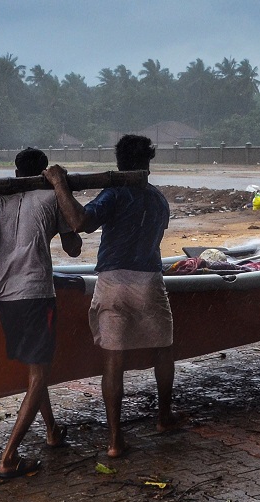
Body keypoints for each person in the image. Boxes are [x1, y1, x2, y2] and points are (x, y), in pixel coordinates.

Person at [43, 134, 186, 458]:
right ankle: (164, 418)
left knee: (114, 360)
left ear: (118, 162)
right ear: (147, 163)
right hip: (148, 280)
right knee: (164, 351)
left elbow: (80, 221)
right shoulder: (157, 200)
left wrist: (58, 183)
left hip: (112, 281)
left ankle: (114, 440)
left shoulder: (115, 194)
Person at [0, 147, 83, 480]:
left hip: (4, 296)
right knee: (38, 374)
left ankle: (51, 431)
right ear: (44, 171)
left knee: (36, 370)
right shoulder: (51, 199)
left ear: (16, 171)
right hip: (35, 293)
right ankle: (9, 457)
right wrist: (62, 190)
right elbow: (74, 247)